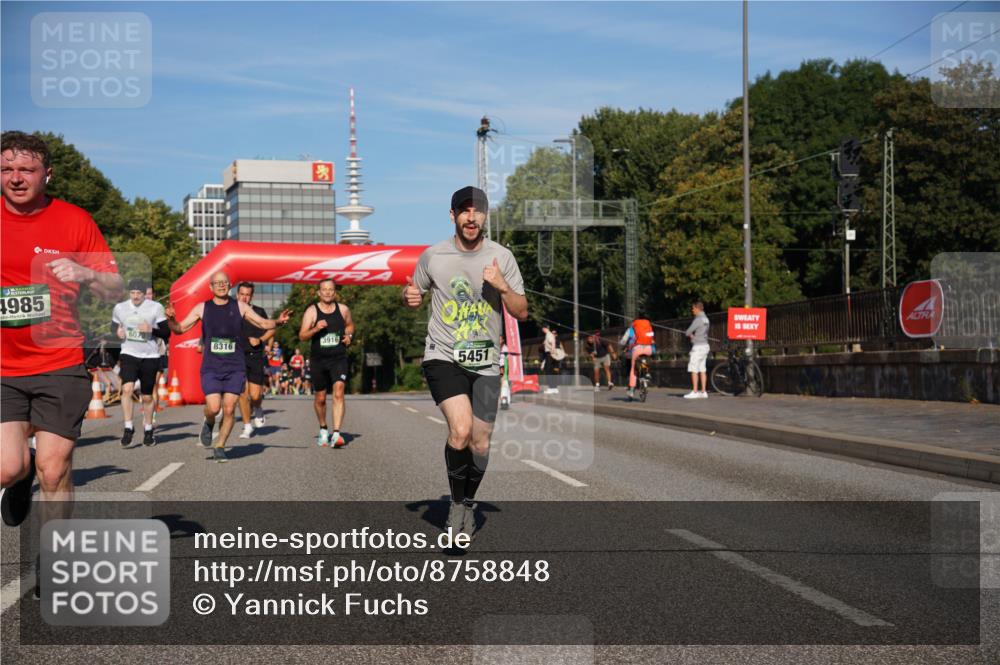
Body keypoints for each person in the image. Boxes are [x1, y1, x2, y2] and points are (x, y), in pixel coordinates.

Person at [1, 131, 123, 531]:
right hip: (4, 368)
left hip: (59, 362)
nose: (16, 177)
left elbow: (115, 289)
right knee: (8, 467)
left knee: (53, 470)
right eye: (6, 169)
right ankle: (19, 478)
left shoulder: (74, 221)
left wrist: (87, 273)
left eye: (26, 169)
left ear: (47, 174)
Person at [403, 186, 527, 541]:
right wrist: (408, 295)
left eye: (478, 211)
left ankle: (468, 501)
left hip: (486, 360)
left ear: (486, 216)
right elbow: (414, 288)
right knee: (460, 431)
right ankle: (457, 508)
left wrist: (502, 287)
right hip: (443, 355)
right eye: (464, 211)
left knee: (481, 444)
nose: (471, 218)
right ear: (453, 215)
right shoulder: (434, 256)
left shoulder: (502, 257)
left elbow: (521, 311)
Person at [165, 272, 290, 462]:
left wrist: (278, 322)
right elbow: (179, 329)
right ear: (211, 287)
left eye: (225, 283)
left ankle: (220, 445)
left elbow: (263, 323)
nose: (222, 285)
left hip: (235, 366)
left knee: (230, 409)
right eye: (217, 283)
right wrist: (171, 320)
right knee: (214, 408)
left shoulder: (240, 306)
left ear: (229, 285)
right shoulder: (202, 308)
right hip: (212, 367)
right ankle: (208, 422)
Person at [112, 278, 169, 447]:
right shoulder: (120, 308)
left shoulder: (155, 308)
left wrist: (151, 330)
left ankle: (149, 429)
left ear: (145, 294)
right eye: (132, 293)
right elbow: (112, 329)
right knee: (127, 388)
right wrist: (118, 333)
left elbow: (166, 332)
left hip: (150, 356)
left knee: (147, 396)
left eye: (139, 293)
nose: (135, 297)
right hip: (129, 353)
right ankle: (128, 427)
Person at [299, 279, 354, 447]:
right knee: (321, 398)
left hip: (338, 358)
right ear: (319, 293)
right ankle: (323, 428)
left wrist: (349, 336)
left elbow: (350, 325)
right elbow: (302, 336)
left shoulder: (343, 309)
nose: (328, 292)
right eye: (324, 290)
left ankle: (336, 434)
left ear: (335, 292)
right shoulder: (312, 311)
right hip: (318, 360)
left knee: (338, 392)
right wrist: (316, 328)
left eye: (331, 290)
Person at [236, 282, 273, 439]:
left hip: (255, 356)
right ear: (237, 294)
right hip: (237, 356)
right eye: (242, 294)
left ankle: (258, 408)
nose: (244, 297)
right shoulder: (230, 311)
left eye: (247, 294)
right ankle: (246, 426)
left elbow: (271, 328)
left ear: (251, 296)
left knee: (255, 395)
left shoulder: (258, 311)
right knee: (242, 392)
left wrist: (261, 339)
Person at [620, 317, 655, 400]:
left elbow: (623, 341)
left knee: (633, 370)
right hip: (648, 349)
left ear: (633, 323)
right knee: (646, 361)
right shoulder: (648, 328)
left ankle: (631, 390)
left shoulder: (630, 330)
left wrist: (622, 344)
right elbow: (652, 339)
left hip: (637, 350)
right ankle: (647, 373)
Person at [684, 301, 711, 399]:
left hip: (698, 347)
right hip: (705, 345)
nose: (692, 310)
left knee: (694, 368)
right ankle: (703, 392)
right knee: (702, 369)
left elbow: (687, 332)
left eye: (693, 308)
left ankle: (695, 391)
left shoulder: (698, 319)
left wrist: (691, 336)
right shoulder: (706, 319)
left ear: (697, 308)